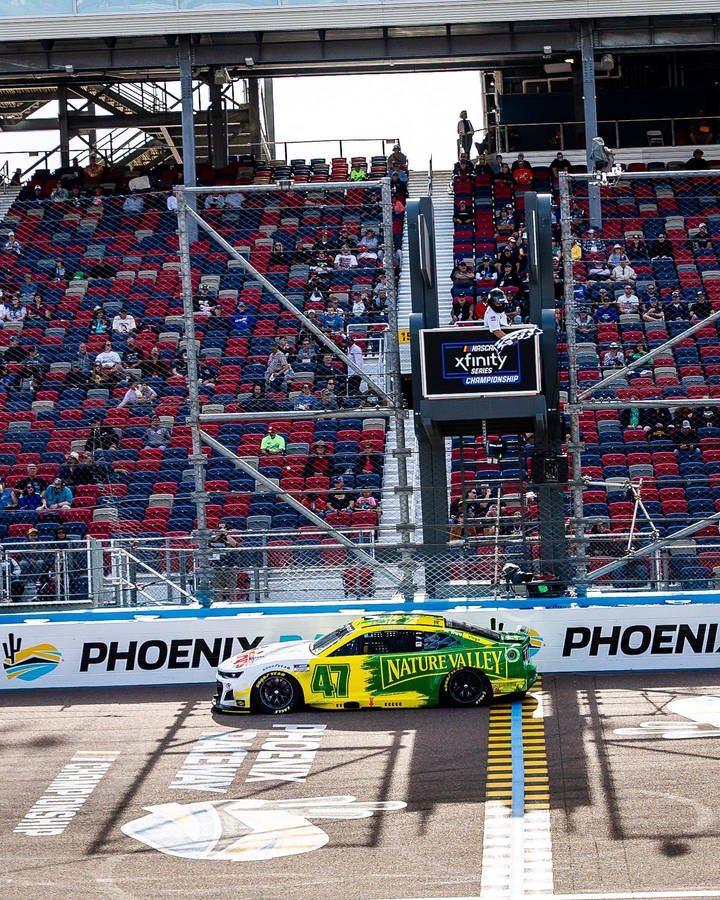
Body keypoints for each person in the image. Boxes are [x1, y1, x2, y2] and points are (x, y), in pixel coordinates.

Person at [208, 523, 239, 602]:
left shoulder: (230, 537)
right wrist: (218, 535)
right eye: (219, 529)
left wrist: (226, 535)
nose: (221, 530)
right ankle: (218, 603)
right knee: (217, 588)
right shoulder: (213, 538)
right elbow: (208, 545)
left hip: (229, 565)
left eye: (224, 529)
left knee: (232, 588)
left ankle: (234, 603)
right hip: (217, 566)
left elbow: (235, 544)